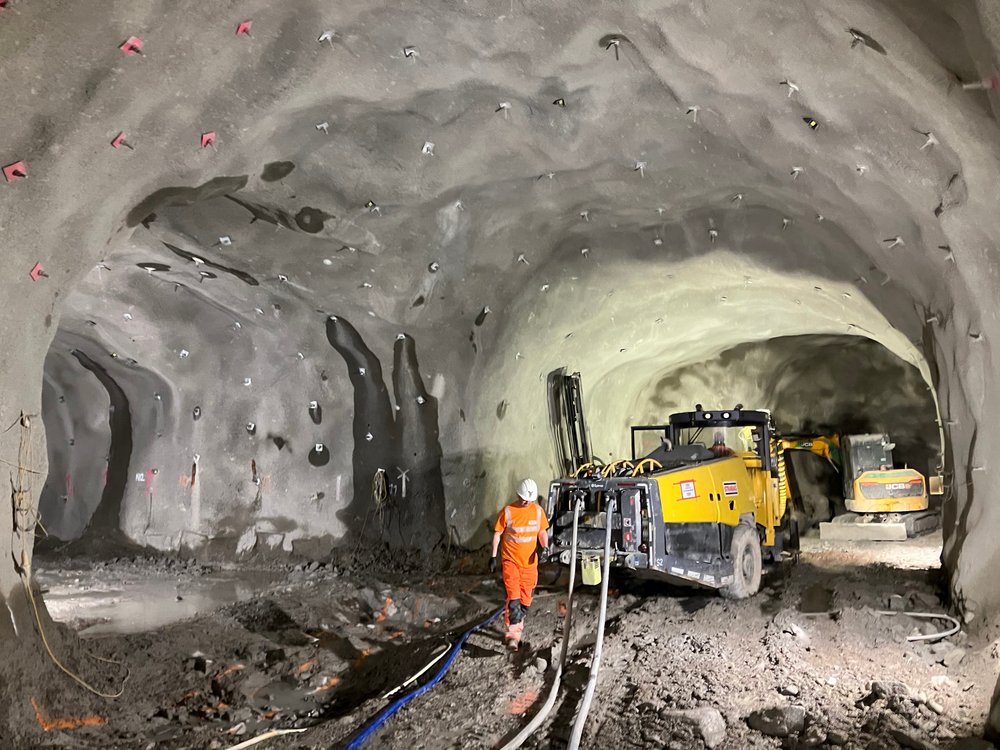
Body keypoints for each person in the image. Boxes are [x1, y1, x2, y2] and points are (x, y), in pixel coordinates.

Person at [490, 478, 549, 649]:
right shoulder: (508, 512)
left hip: (530, 564)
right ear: (517, 494)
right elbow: (497, 534)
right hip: (511, 561)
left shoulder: (538, 512)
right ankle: (513, 634)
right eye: (523, 498)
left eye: (529, 499)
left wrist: (545, 547)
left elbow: (542, 532)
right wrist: (493, 557)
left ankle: (517, 626)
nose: (525, 502)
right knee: (513, 596)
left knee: (525, 601)